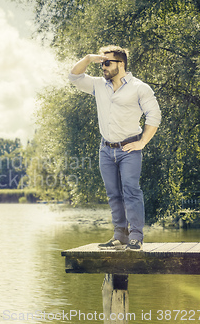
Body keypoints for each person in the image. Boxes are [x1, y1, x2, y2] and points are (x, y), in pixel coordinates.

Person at [68, 45, 161, 251]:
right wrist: (88, 58)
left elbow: (154, 115)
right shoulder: (99, 85)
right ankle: (120, 235)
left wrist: (142, 142)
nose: (103, 67)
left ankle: (136, 236)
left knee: (131, 190)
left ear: (121, 64)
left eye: (107, 63)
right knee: (113, 193)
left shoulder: (139, 87)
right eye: (101, 63)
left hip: (130, 148)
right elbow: (73, 76)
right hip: (106, 149)